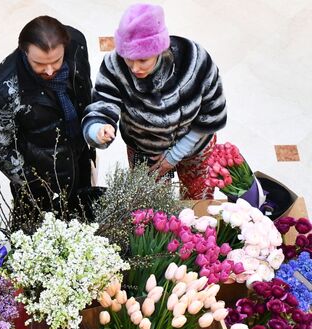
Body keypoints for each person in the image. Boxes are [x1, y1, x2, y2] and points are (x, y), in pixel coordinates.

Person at [82, 3, 227, 199]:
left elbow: (211, 111)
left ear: (159, 48)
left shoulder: (193, 59)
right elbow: (102, 104)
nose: (134, 68)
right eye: (128, 58)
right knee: (150, 208)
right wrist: (97, 129)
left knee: (198, 203)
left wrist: (176, 154)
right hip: (144, 149)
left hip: (195, 147)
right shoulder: (114, 65)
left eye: (143, 60)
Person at [0, 15, 96, 231]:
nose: (50, 71)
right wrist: (36, 184)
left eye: (56, 61)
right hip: (38, 179)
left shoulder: (77, 44)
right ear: (24, 52)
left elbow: (84, 93)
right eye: (40, 64)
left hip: (77, 158)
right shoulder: (1, 90)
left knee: (84, 226)